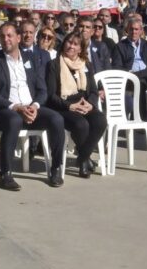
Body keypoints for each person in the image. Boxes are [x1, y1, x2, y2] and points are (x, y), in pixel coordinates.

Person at [0, 22, 66, 189]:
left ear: (18, 38)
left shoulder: (31, 59)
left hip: (31, 108)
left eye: (10, 35)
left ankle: (56, 169)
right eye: (2, 36)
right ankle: (5, 174)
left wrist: (35, 106)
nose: (6, 39)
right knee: (14, 120)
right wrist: (16, 107)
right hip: (6, 110)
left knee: (56, 119)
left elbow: (42, 90)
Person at [46, 33, 107, 178]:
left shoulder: (86, 65)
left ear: (80, 49)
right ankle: (85, 161)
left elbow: (93, 91)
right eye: (69, 42)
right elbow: (51, 95)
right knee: (81, 125)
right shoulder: (54, 65)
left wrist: (90, 104)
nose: (71, 46)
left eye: (75, 44)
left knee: (100, 120)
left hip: (84, 104)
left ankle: (82, 157)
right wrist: (70, 106)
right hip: (63, 107)